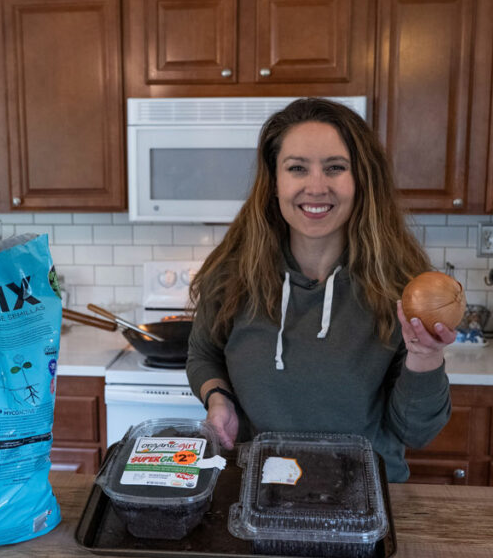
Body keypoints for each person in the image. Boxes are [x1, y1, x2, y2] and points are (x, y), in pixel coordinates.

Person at [185, 97, 454, 483]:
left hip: (366, 497)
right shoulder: (232, 275)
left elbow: (416, 432)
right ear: (274, 183)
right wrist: (218, 398)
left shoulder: (402, 289)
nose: (316, 186)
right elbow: (203, 354)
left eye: (335, 168)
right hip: (257, 491)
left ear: (361, 180)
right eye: (297, 168)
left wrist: (425, 357)